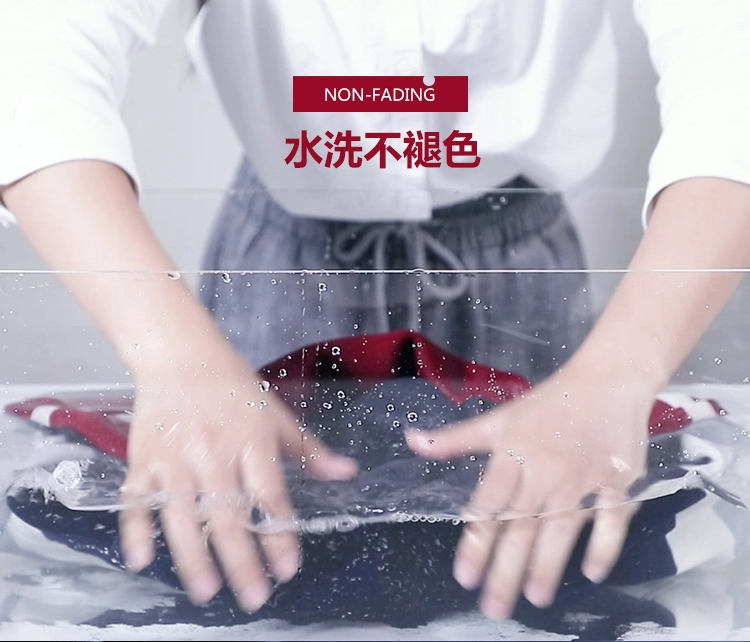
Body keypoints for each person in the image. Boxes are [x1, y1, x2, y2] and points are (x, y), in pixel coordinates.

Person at [1, 0, 750, 622]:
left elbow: (731, 56)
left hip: (520, 270)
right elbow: (32, 52)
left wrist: (618, 376)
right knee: (250, 584)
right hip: (280, 269)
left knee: (536, 585)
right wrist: (173, 357)